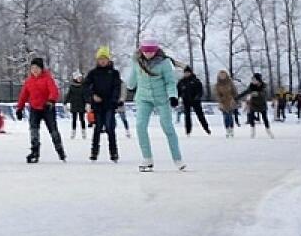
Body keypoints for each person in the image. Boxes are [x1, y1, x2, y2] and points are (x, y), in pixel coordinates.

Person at [125, 37, 184, 171]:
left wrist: (173, 96)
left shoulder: (164, 63)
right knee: (140, 126)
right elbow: (133, 77)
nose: (148, 54)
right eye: (146, 51)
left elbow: (170, 81)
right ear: (141, 50)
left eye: (151, 51)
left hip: (162, 98)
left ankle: (177, 158)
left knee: (167, 127)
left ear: (156, 51)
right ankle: (147, 159)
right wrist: (129, 87)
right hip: (143, 98)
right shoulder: (136, 61)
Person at [15, 57, 66, 164]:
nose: (34, 70)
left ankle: (60, 150)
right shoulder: (29, 81)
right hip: (34, 108)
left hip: (47, 108)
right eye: (32, 68)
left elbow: (54, 91)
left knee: (53, 130)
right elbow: (23, 95)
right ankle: (35, 151)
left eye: (37, 68)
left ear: (41, 69)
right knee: (33, 130)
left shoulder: (47, 78)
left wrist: (51, 101)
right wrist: (20, 108)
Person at [83, 46, 121, 162]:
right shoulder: (93, 73)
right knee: (97, 129)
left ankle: (113, 153)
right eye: (100, 59)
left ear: (108, 60)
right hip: (97, 105)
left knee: (110, 128)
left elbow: (117, 87)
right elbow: (85, 86)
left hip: (109, 105)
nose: (102, 61)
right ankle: (94, 152)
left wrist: (114, 100)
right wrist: (92, 96)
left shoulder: (114, 73)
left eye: (104, 58)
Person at [176, 66, 211, 135]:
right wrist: (176, 99)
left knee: (200, 115)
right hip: (186, 101)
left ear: (191, 73)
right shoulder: (181, 82)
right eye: (185, 73)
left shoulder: (196, 81)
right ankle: (188, 131)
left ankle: (206, 129)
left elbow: (200, 91)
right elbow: (178, 91)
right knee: (187, 116)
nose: (186, 74)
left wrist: (198, 97)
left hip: (195, 101)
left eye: (188, 72)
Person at [237, 73, 273, 138]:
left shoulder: (263, 86)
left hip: (262, 104)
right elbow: (244, 92)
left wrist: (257, 93)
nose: (253, 81)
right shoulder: (251, 86)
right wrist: (236, 97)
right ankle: (252, 132)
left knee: (265, 118)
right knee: (251, 117)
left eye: (254, 79)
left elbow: (264, 94)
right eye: (252, 79)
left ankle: (268, 131)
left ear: (258, 80)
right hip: (253, 104)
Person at [214, 70, 240, 137]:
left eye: (223, 75)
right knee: (225, 116)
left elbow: (235, 92)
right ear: (219, 76)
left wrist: (235, 99)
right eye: (221, 75)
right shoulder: (217, 85)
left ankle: (231, 129)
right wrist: (220, 101)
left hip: (231, 101)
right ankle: (227, 130)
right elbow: (217, 94)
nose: (222, 76)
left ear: (226, 75)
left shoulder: (230, 83)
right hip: (223, 102)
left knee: (230, 116)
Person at [64, 71, 87, 139]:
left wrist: (88, 103)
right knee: (74, 119)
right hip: (74, 105)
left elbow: (85, 95)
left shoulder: (83, 86)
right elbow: (69, 95)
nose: (80, 79)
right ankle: (73, 132)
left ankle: (83, 132)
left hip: (81, 105)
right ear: (75, 78)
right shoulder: (72, 87)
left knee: (82, 119)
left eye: (80, 78)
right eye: (78, 78)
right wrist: (65, 102)